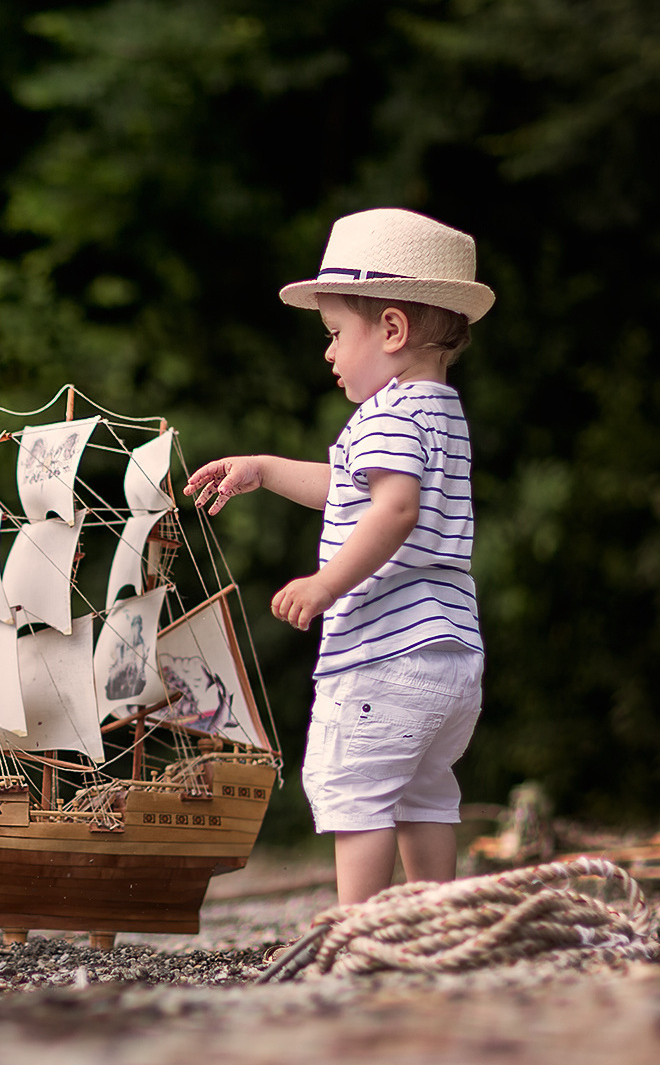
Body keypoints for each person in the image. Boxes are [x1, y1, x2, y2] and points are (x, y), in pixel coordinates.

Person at [182, 208, 492, 905]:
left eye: (335, 335)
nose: (327, 354)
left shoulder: (385, 415)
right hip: (450, 657)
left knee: (356, 786)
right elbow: (355, 489)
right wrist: (263, 467)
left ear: (390, 330)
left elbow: (393, 509)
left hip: (387, 652)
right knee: (423, 794)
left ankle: (359, 928)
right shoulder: (438, 411)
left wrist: (326, 583)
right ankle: (437, 919)